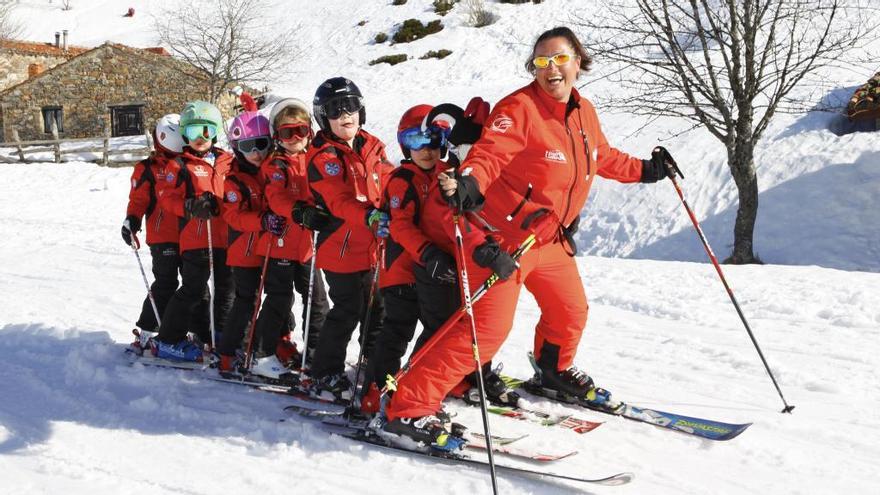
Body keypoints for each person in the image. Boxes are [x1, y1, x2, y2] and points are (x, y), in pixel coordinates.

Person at [380, 26, 677, 445]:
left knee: (570, 311)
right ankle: (407, 408)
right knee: (483, 333)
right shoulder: (518, 108)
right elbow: (489, 153)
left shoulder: (583, 111)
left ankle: (554, 369)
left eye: (559, 59)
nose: (550, 68)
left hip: (548, 239)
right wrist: (470, 182)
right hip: (500, 242)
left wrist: (646, 170)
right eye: (541, 61)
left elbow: (600, 156)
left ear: (578, 61)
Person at [361, 104, 518, 415]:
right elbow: (400, 225)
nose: (427, 150)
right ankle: (379, 387)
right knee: (398, 329)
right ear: (404, 144)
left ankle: (449, 379)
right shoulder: (401, 179)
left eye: (433, 140)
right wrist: (428, 253)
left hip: (436, 270)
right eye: (416, 142)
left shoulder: (448, 174)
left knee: (445, 329)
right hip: (404, 269)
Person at [304, 77, 393, 401]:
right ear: (322, 117)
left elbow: (390, 178)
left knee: (379, 308)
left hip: (374, 245)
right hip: (340, 246)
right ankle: (324, 372)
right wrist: (369, 214)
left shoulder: (372, 145)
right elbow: (338, 199)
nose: (346, 114)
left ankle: (374, 365)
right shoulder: (323, 157)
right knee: (348, 309)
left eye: (351, 106)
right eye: (335, 109)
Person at [215, 92, 295, 380]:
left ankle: (274, 341)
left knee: (280, 295)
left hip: (273, 246)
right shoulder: (235, 179)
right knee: (247, 299)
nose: (257, 152)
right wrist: (262, 220)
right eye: (248, 146)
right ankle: (227, 352)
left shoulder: (271, 170)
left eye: (261, 144)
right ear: (237, 148)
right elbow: (233, 215)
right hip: (245, 248)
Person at [152, 101, 235, 361]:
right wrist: (190, 205)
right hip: (196, 237)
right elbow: (166, 197)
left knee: (226, 289)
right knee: (194, 289)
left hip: (227, 238)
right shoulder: (178, 165)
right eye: (194, 130)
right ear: (184, 132)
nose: (201, 137)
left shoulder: (227, 161)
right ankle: (167, 339)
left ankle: (219, 336)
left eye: (208, 130)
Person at [260, 96, 330, 368]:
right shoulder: (276, 165)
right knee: (280, 299)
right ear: (277, 136)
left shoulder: (317, 159)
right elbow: (276, 198)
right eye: (286, 133)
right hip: (282, 243)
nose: (294, 138)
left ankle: (315, 353)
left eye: (300, 131)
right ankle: (264, 354)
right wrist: (299, 211)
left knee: (317, 300)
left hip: (308, 245)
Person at [122, 114, 186, 339]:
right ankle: (149, 330)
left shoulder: (189, 163)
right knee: (166, 282)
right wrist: (132, 220)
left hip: (190, 235)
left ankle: (189, 331)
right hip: (163, 236)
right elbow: (138, 199)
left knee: (194, 287)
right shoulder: (148, 168)